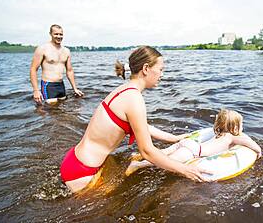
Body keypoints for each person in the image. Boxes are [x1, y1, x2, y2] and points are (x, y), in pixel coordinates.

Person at [60, 46, 211, 193]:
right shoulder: (134, 98)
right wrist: (185, 170)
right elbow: (147, 151)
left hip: (75, 159)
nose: (162, 75)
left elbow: (143, 127)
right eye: (160, 69)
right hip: (82, 173)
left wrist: (174, 138)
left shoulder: (125, 90)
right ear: (146, 69)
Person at [125, 109, 262, 176]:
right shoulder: (233, 137)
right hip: (192, 152)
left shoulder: (219, 132)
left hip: (188, 143)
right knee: (164, 161)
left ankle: (139, 155)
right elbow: (250, 143)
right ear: (236, 127)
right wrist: (258, 151)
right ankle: (139, 164)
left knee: (163, 153)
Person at [30, 24, 83, 105]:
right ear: (50, 34)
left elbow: (69, 71)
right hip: (48, 85)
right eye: (56, 34)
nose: (59, 36)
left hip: (61, 85)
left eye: (61, 34)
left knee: (62, 110)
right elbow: (33, 69)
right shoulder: (42, 49)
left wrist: (74, 88)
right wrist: (36, 90)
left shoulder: (66, 51)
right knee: (51, 111)